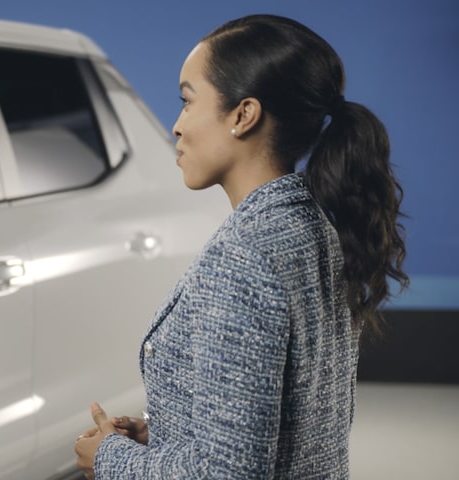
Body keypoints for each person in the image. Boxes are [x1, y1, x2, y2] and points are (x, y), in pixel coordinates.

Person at [75, 14, 408, 479]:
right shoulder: (314, 228)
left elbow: (227, 473)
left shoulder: (244, 257)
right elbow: (292, 420)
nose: (176, 126)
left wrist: (110, 458)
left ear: (243, 115)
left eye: (188, 102)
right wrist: (166, 432)